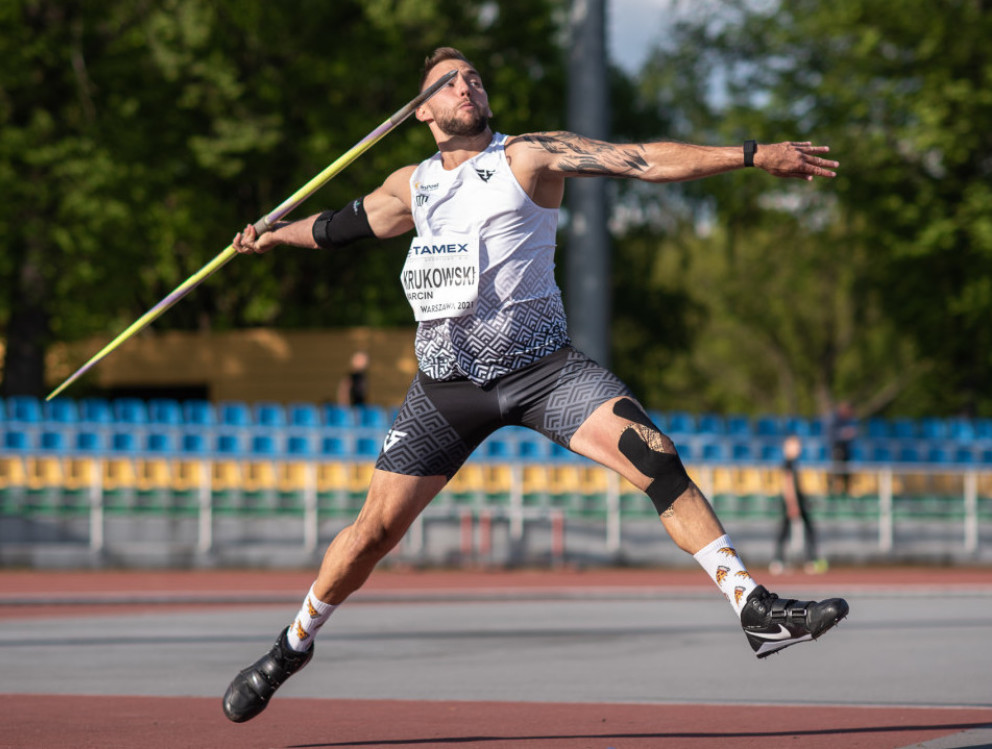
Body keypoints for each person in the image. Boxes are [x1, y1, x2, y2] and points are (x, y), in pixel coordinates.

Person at [223, 47, 850, 723]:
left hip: (544, 371)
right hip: (445, 386)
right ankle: (292, 644)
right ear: (423, 110)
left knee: (652, 452)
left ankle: (754, 607)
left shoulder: (528, 154)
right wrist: (271, 237)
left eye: (474, 78)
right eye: (450, 82)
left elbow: (641, 159)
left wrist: (752, 154)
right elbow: (342, 226)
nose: (469, 86)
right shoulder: (413, 184)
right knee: (372, 532)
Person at [770, 435, 827, 575]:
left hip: (797, 500)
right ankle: (781, 561)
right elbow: (788, 484)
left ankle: (804, 560)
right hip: (793, 501)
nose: (798, 448)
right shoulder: (788, 463)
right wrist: (792, 504)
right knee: (786, 531)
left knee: (797, 530)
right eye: (795, 445)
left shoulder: (793, 462)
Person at [828, 400, 858, 496]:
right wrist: (843, 434)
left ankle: (846, 492)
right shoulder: (834, 419)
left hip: (845, 450)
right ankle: (833, 492)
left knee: (847, 473)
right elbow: (830, 434)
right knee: (836, 472)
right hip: (837, 450)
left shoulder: (848, 420)